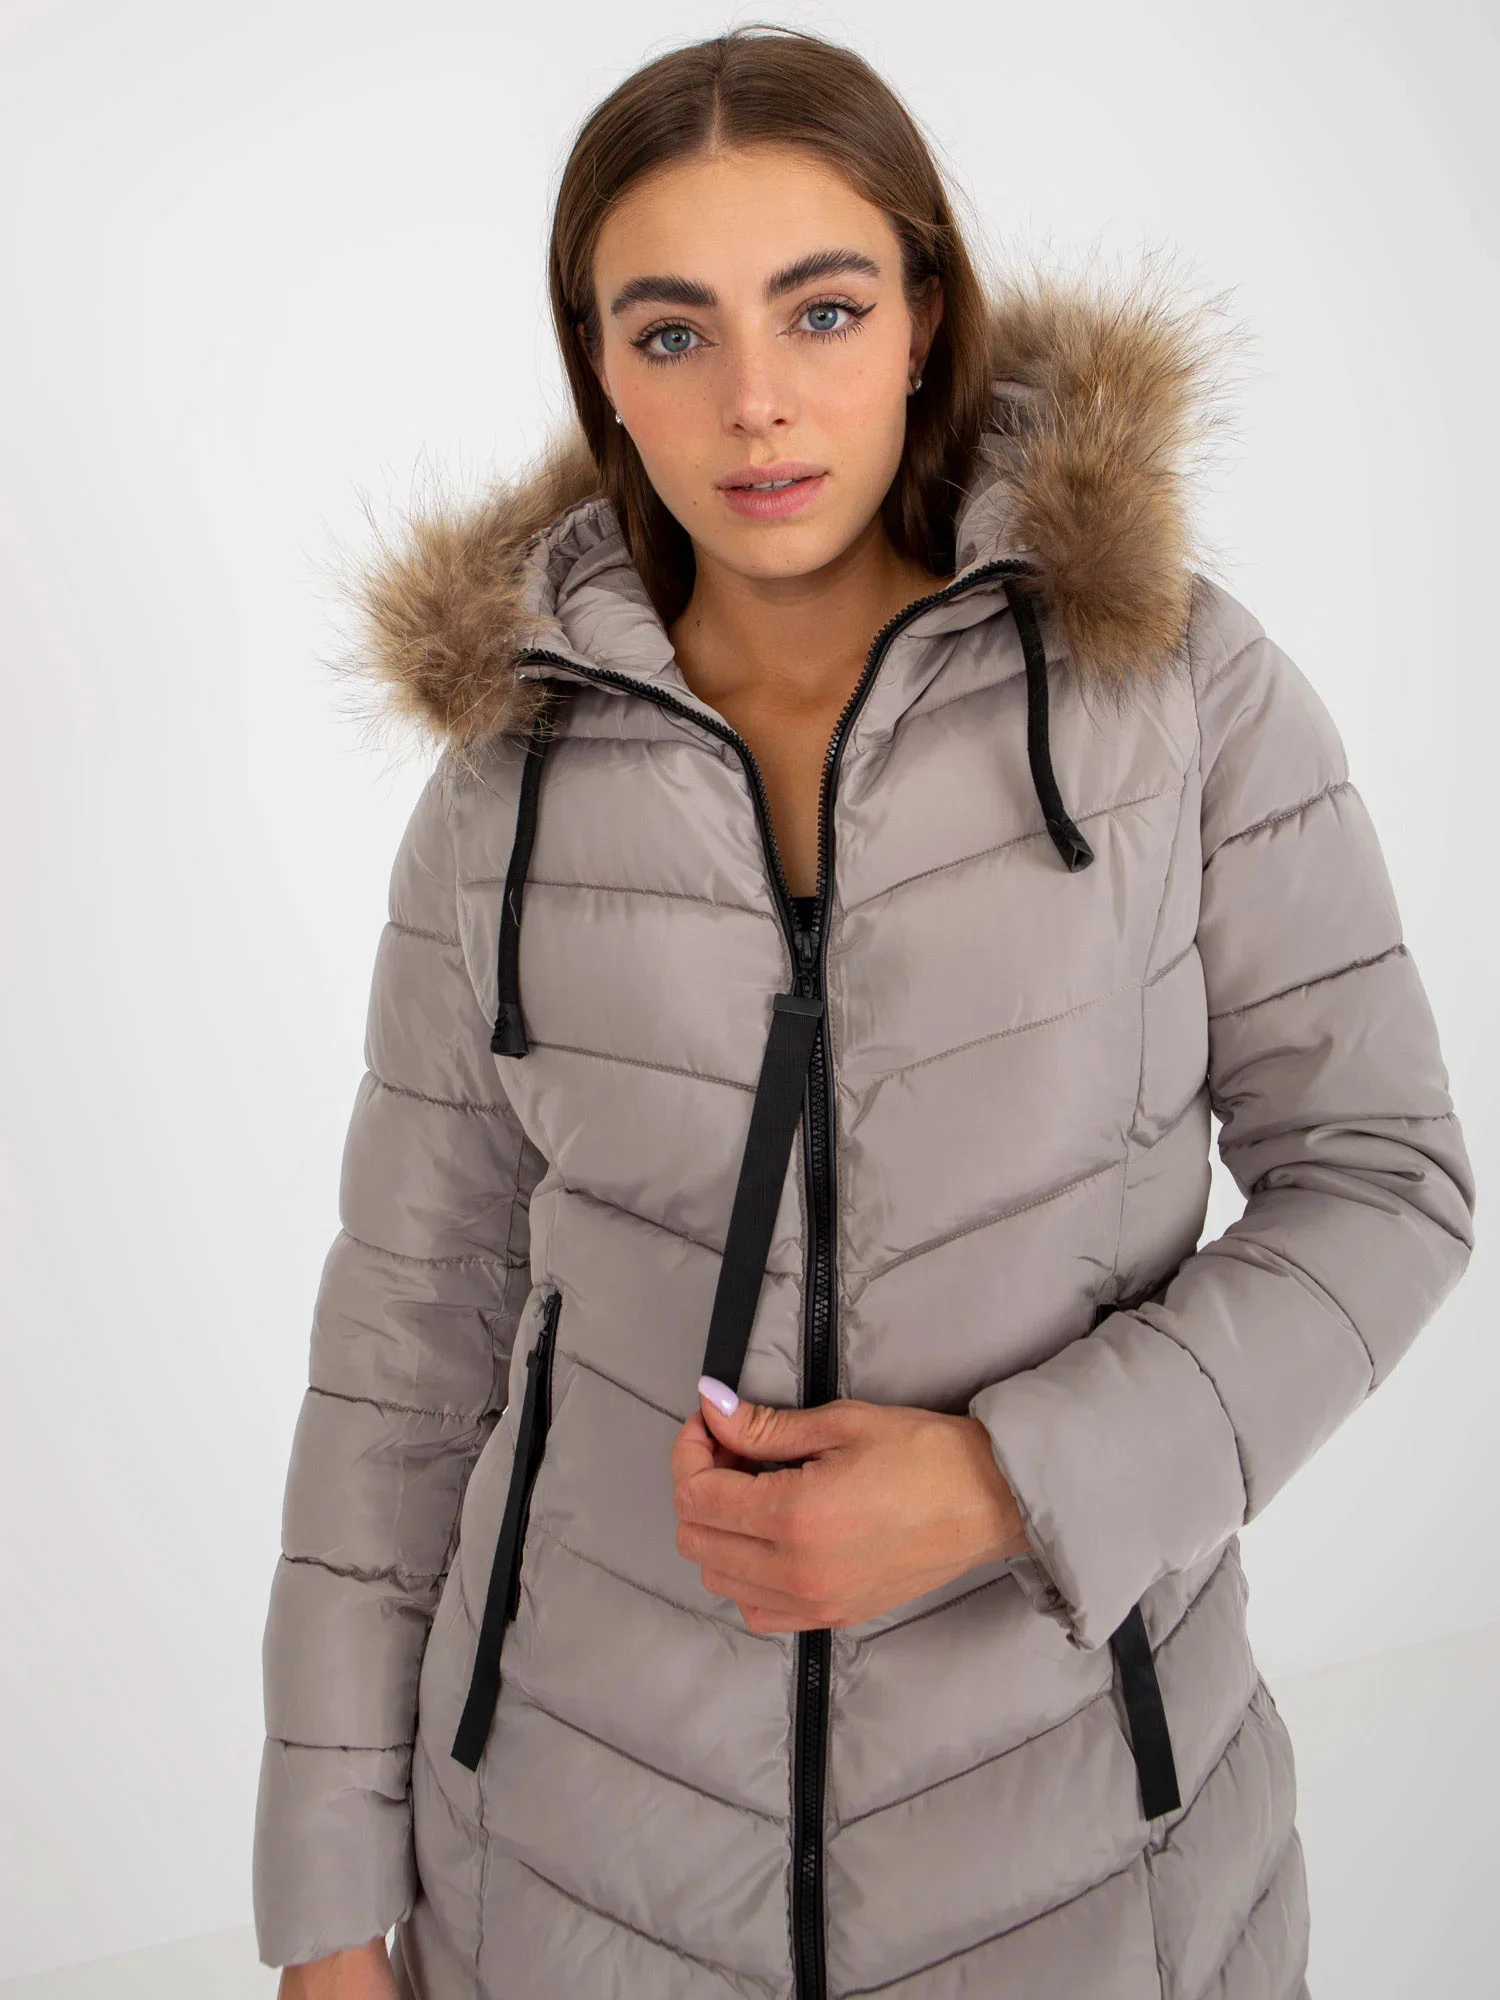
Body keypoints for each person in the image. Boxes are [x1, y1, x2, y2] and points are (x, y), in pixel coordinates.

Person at [251, 25, 1476, 2000]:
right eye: (671, 331)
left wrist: (1008, 1484)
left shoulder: (1175, 696)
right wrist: (324, 1898)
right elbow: (405, 1346)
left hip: (1090, 1875)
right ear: (599, 370)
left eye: (819, 309)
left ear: (923, 317)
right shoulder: (504, 790)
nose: (754, 400)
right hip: (568, 1874)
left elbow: (1385, 1182)